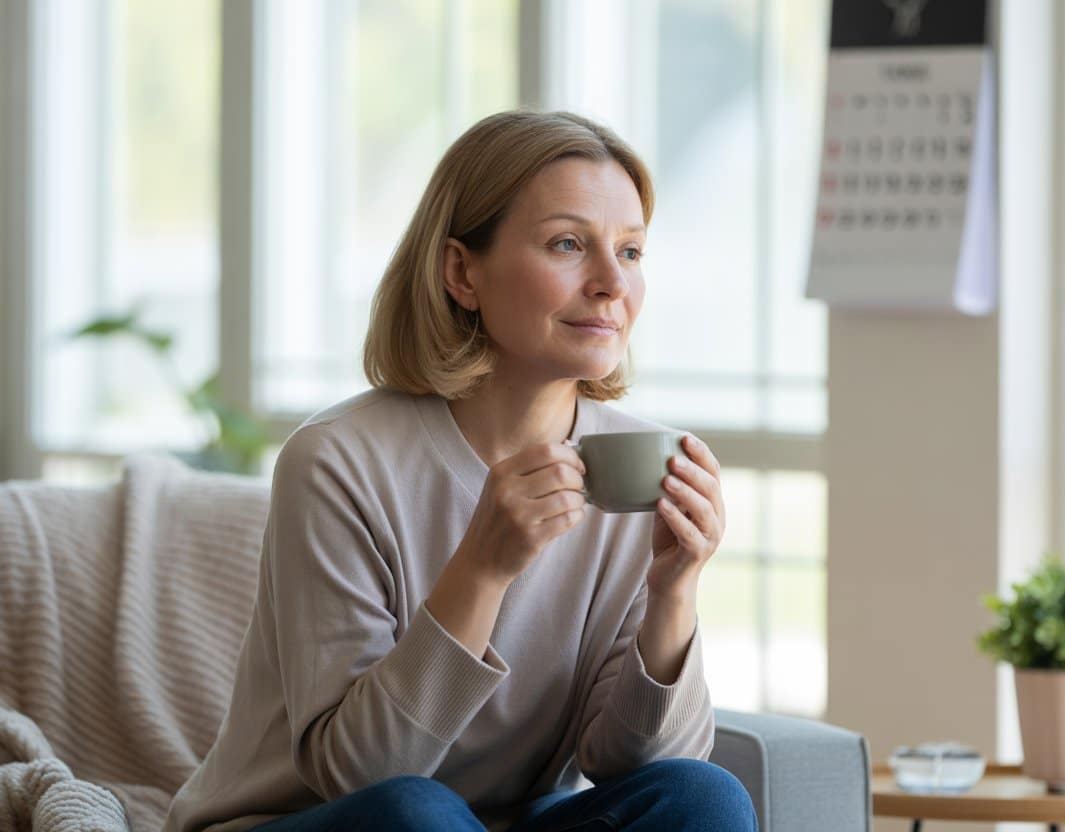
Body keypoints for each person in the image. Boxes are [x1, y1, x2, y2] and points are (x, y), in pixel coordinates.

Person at [163, 110, 756, 832]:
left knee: (706, 795)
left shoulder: (636, 465)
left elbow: (635, 770)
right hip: (321, 820)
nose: (610, 283)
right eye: (568, 244)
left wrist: (674, 590)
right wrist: (482, 567)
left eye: (630, 252)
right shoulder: (338, 460)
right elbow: (359, 775)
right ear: (461, 272)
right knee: (418, 813)